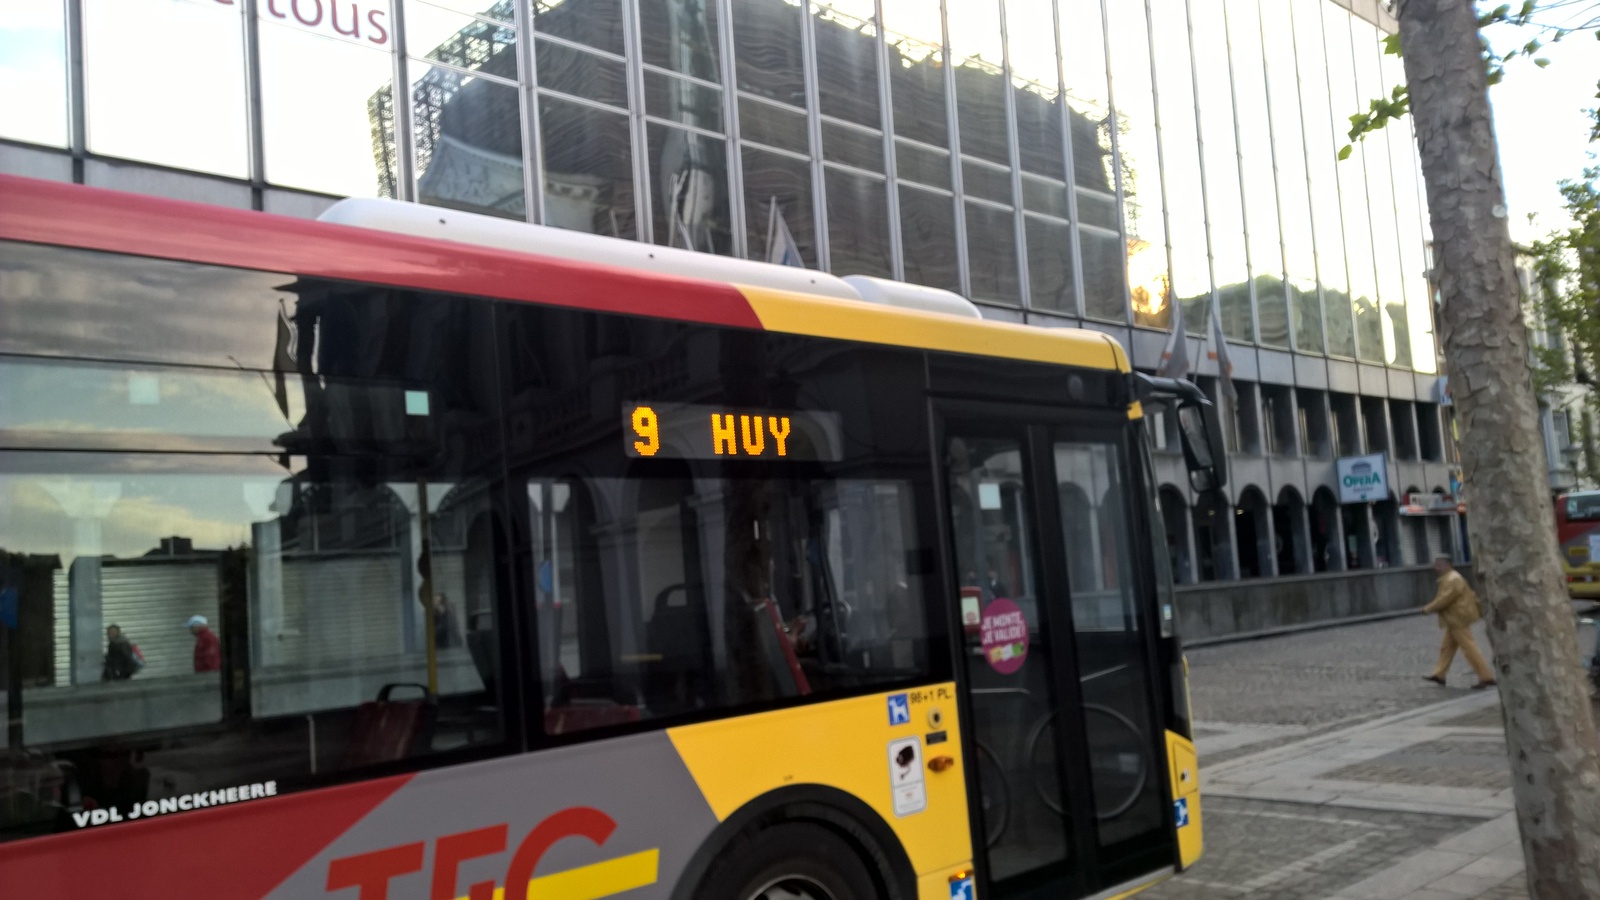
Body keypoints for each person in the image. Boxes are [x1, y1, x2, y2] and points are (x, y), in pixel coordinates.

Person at [1421, 556, 1496, 689]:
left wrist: (1428, 609)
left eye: (1438, 565)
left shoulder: (1453, 579)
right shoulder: (1451, 578)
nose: (1435, 567)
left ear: (1447, 565)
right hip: (1455, 618)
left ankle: (1486, 676)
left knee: (1468, 647)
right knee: (1447, 648)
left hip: (1457, 618)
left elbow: (1445, 599)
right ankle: (1439, 674)